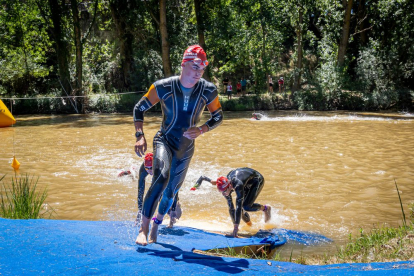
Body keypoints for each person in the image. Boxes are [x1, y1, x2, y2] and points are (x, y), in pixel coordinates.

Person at [133, 45, 223, 245]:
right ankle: (143, 229)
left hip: (186, 148)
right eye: (195, 66)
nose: (199, 71)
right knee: (161, 178)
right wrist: (140, 135)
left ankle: (157, 224)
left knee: (171, 192)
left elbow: (218, 116)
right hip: (164, 140)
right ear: (183, 64)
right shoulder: (163, 87)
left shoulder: (208, 90)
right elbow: (139, 108)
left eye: (202, 67)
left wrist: (202, 130)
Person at [193, 167, 272, 238]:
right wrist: (195, 187)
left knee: (246, 206)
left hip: (256, 180)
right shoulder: (221, 183)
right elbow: (202, 177)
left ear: (229, 186)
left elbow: (238, 206)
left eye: (224, 191)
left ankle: (265, 208)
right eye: (221, 191)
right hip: (244, 179)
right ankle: (250, 225)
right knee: (234, 207)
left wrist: (235, 228)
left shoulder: (238, 185)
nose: (223, 193)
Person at [117, 153, 182, 228]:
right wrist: (140, 210)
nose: (149, 170)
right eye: (147, 168)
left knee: (172, 209)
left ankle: (174, 209)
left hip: (170, 170)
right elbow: (140, 190)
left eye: (151, 168)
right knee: (153, 195)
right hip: (158, 172)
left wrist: (173, 209)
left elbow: (173, 189)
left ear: (155, 165)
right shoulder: (144, 169)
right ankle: (128, 173)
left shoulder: (163, 167)